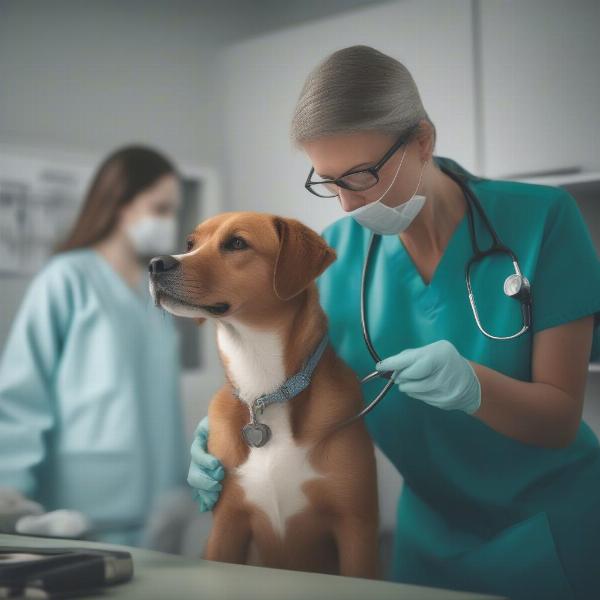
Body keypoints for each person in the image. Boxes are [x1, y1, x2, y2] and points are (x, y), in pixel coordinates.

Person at [186, 46, 600, 599]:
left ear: (423, 141)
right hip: (427, 542)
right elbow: (296, 390)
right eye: (327, 180)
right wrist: (231, 430)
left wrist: (475, 387)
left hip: (551, 533)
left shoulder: (542, 219)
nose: (346, 204)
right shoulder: (331, 258)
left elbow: (559, 421)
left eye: (361, 175)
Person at [0, 145, 188, 546]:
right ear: (120, 203)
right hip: (76, 514)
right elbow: (20, 397)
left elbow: (162, 401)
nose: (169, 222)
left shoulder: (154, 291)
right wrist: (9, 495)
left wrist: (179, 486)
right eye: (159, 208)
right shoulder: (66, 278)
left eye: (173, 210)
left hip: (156, 513)